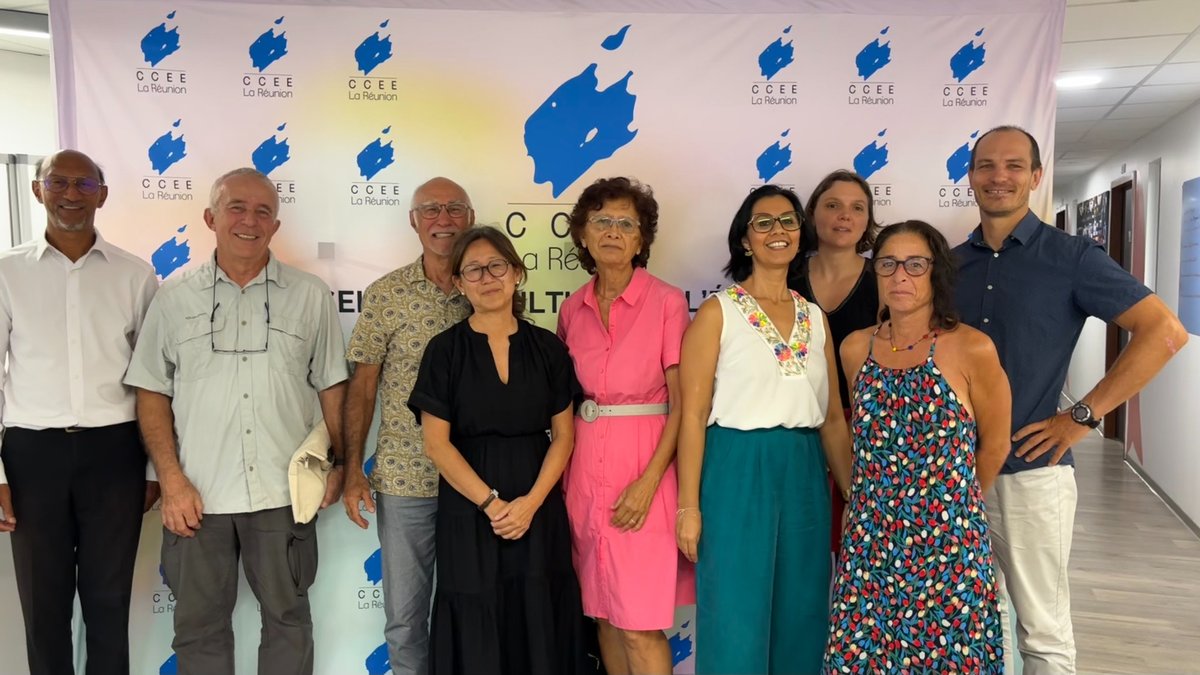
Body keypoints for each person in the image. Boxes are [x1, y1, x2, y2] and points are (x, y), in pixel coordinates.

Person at [955, 125, 1188, 674]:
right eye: (986, 165)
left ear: (1036, 177)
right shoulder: (947, 264)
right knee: (968, 624)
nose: (999, 177)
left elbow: (1164, 332)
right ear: (970, 177)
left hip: (1031, 471)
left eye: (1014, 166)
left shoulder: (1073, 256)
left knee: (1042, 630)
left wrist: (1082, 416)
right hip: (953, 473)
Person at [125, 167, 349, 675]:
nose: (250, 220)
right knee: (199, 630)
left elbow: (332, 386)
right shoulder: (174, 298)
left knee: (289, 621)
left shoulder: (310, 295)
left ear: (275, 224)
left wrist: (337, 463)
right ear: (210, 218)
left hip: (284, 493)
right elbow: (151, 393)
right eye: (237, 208)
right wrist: (171, 480)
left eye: (263, 211)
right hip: (196, 497)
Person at [676, 184, 853, 674]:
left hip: (803, 471)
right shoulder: (718, 313)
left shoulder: (815, 318)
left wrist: (855, 494)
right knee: (735, 611)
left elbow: (834, 419)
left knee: (803, 610)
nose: (779, 231)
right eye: (764, 222)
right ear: (744, 240)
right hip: (736, 469)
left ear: (802, 233)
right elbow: (691, 417)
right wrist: (688, 506)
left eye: (789, 221)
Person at [825, 220, 1010, 673]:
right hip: (871, 544)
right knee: (862, 660)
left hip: (949, 547)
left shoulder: (972, 348)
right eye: (887, 264)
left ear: (936, 273)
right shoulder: (854, 348)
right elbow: (854, 437)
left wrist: (953, 507)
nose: (900, 276)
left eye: (915, 264)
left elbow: (995, 446)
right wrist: (859, 497)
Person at [0, 150, 158, 675]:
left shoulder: (136, 276)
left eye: (84, 183)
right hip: (30, 455)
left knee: (109, 603)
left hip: (114, 451)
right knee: (43, 608)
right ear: (37, 190)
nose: (71, 193)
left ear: (103, 194)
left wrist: (154, 467)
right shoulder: (5, 274)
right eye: (58, 182)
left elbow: (155, 381)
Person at [408, 226, 589, 675]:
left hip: (538, 503)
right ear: (458, 282)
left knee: (538, 607)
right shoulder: (444, 352)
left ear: (516, 273)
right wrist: (492, 504)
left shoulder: (548, 347)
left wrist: (529, 505)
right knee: (475, 609)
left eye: (497, 266)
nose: (487, 277)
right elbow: (437, 444)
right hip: (469, 508)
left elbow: (564, 436)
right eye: (474, 269)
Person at [557, 177, 694, 675]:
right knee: (604, 616)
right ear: (583, 234)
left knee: (638, 622)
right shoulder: (572, 308)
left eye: (625, 224)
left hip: (645, 470)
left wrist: (650, 481)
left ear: (641, 240)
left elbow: (683, 405)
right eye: (601, 221)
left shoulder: (667, 302)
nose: (612, 232)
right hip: (584, 474)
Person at [341, 177, 474, 675]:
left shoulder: (488, 287)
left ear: (470, 215)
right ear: (413, 221)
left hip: (479, 481)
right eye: (431, 210)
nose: (443, 219)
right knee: (405, 617)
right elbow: (363, 387)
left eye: (454, 208)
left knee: (475, 607)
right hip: (405, 479)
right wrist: (353, 468)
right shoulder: (386, 294)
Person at [790, 169, 881, 551]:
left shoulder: (884, 278)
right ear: (812, 215)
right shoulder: (782, 274)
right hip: (795, 430)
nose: (844, 215)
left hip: (865, 434)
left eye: (856, 208)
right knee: (799, 553)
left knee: (857, 549)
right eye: (833, 205)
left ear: (866, 222)